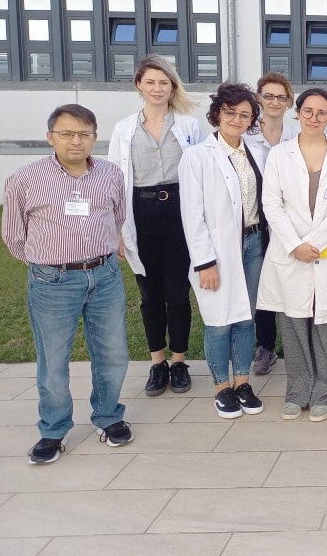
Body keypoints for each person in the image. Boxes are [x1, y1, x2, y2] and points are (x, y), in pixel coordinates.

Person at [2, 104, 133, 464]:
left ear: (95, 137)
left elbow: (118, 217)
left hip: (104, 276)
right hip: (52, 280)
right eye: (67, 133)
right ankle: (53, 429)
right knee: (54, 358)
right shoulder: (25, 179)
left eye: (85, 134)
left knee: (112, 352)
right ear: (51, 137)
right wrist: (48, 265)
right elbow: (14, 236)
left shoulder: (110, 174)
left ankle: (109, 417)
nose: (76, 141)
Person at [257, 88, 327, 423]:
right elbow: (271, 203)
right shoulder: (280, 155)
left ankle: (325, 392)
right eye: (308, 111)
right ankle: (298, 391)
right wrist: (294, 244)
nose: (314, 118)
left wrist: (313, 241)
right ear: (297, 113)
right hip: (290, 252)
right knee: (294, 322)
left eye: (322, 112)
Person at [108, 55, 201, 397]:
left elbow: (200, 173)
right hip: (141, 212)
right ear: (139, 86)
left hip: (179, 210)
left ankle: (178, 361)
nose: (157, 88)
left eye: (164, 82)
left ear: (172, 86)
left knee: (178, 292)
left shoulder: (189, 126)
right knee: (150, 295)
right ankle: (157, 362)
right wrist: (118, 229)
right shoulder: (124, 129)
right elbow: (115, 180)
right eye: (151, 82)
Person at [178, 83, 267, 419]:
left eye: (245, 115)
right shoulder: (197, 157)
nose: (237, 119)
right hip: (216, 250)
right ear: (217, 114)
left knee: (245, 317)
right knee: (218, 320)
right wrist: (204, 263)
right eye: (230, 112)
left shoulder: (256, 152)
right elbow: (192, 214)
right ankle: (221, 387)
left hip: (254, 243)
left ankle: (242, 382)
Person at [245, 72, 298, 376]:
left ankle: (297, 344)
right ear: (258, 99)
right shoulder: (247, 134)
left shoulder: (296, 134)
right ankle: (265, 345)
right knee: (263, 279)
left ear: (289, 102)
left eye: (281, 97)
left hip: (291, 218)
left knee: (291, 279)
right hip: (256, 217)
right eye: (268, 96)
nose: (275, 102)